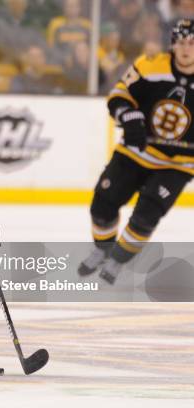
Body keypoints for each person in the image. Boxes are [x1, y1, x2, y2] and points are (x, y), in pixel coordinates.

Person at [78, 19, 194, 284]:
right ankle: (102, 249)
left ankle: (118, 261)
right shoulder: (151, 64)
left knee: (145, 216)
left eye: (193, 43)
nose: (187, 48)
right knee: (102, 204)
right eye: (182, 42)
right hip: (136, 152)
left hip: (179, 164)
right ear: (173, 44)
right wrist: (129, 116)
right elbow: (118, 95)